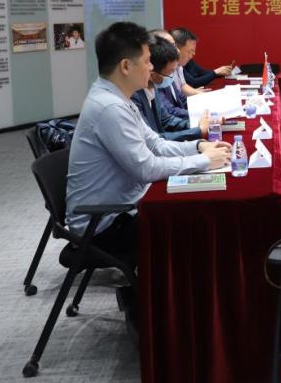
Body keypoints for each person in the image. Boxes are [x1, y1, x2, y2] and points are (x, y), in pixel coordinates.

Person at [66, 21, 230, 261]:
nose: (152, 67)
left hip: (125, 205)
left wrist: (198, 146)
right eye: (146, 61)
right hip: (105, 223)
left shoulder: (119, 98)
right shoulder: (110, 108)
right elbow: (146, 168)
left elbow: (155, 144)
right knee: (197, 224)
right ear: (126, 66)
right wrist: (204, 161)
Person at [131, 36, 211, 142]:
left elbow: (167, 120)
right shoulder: (134, 96)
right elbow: (153, 141)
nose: (172, 78)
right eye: (170, 73)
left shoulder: (153, 86)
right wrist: (198, 131)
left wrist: (198, 125)